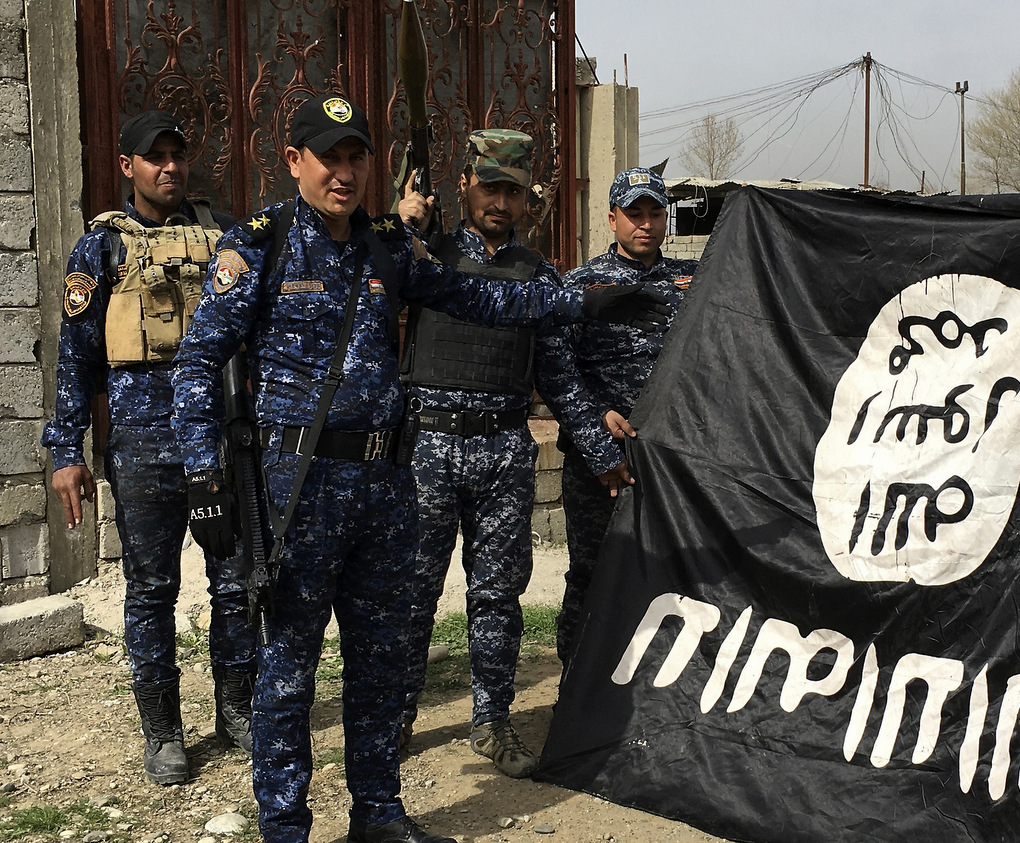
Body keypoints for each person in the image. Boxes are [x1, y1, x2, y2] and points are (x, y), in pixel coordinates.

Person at [171, 94, 668, 843]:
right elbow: (198, 359)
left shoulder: (385, 249)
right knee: (288, 670)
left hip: (384, 488)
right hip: (294, 490)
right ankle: (286, 825)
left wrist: (576, 303)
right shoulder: (260, 246)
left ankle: (377, 813)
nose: (343, 173)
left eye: (355, 158)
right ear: (295, 160)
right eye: (328, 158)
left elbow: (474, 295)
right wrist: (204, 474)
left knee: (382, 660)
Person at [41, 109, 254, 785]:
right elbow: (75, 357)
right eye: (154, 156)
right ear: (128, 166)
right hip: (141, 445)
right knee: (152, 591)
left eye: (177, 155)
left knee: (236, 584)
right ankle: (163, 730)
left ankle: (237, 711)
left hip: (219, 441)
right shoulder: (99, 248)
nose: (169, 166)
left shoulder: (221, 236)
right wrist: (64, 451)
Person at [395, 129, 550, 777]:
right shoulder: (422, 253)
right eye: (489, 186)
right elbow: (362, 270)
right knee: (409, 593)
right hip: (427, 442)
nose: (499, 200)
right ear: (462, 184)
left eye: (512, 190)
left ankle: (490, 720)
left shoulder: (537, 274)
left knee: (496, 596)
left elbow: (558, 367)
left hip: (503, 447)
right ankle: (392, 717)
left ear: (525, 199)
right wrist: (400, 223)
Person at [536, 167, 697, 664]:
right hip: (601, 461)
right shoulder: (581, 286)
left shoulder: (690, 283)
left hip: (670, 458)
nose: (645, 224)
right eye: (634, 214)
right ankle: (577, 686)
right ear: (612, 219)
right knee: (592, 571)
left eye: (654, 212)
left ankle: (652, 688)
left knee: (672, 572)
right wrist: (598, 420)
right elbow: (556, 369)